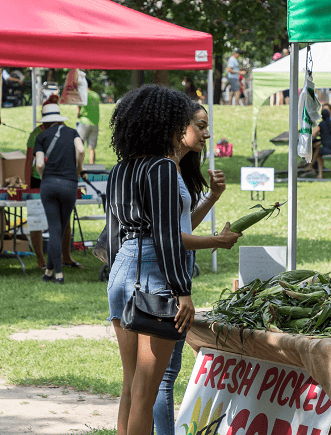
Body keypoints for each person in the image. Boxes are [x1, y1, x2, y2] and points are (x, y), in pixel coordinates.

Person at [105, 85, 196, 435]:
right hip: (155, 275)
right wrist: (181, 290)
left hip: (121, 272)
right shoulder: (162, 168)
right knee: (146, 391)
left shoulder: (120, 169)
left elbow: (112, 235)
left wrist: (118, 277)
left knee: (130, 387)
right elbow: (166, 235)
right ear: (165, 124)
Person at [152, 102, 241, 435]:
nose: (206, 133)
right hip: (167, 281)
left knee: (160, 376)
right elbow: (173, 238)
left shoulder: (175, 170)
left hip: (173, 277)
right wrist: (217, 242)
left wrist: (213, 196)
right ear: (179, 128)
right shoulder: (164, 170)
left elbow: (183, 225)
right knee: (162, 378)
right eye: (200, 125)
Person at [25, 96, 83, 270]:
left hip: (56, 178)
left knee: (63, 221)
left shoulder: (66, 131)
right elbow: (29, 160)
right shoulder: (36, 134)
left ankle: (66, 257)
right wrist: (28, 184)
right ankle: (41, 260)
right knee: (37, 219)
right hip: (40, 179)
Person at [301, 109, 331, 179]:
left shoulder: (322, 124)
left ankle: (319, 174)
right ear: (329, 115)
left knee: (320, 153)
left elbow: (312, 134)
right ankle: (310, 166)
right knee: (318, 147)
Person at [76, 77, 101, 164]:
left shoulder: (83, 94)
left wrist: (78, 113)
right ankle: (92, 165)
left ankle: (79, 165)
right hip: (95, 123)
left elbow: (79, 106)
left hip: (84, 121)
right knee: (91, 148)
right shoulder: (96, 95)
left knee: (79, 145)